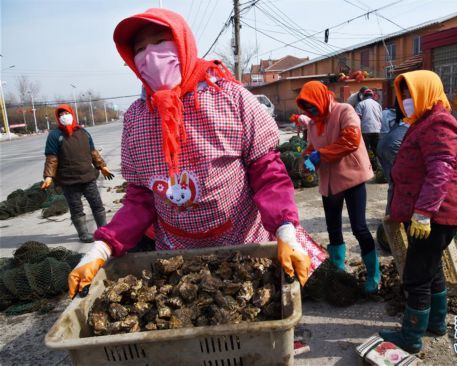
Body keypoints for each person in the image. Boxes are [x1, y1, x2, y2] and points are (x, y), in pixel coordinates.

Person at [68, 8, 324, 298]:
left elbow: (268, 174)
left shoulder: (231, 98)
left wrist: (285, 231)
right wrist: (100, 249)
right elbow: (140, 198)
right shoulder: (136, 119)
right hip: (178, 259)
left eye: (161, 42)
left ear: (183, 43)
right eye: (140, 49)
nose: (151, 55)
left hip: (246, 247)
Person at [378, 70, 457, 353]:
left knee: (416, 277)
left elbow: (441, 170)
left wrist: (424, 213)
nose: (405, 100)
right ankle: (436, 324)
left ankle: (411, 336)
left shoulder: (439, 125)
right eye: (402, 94)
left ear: (426, 91)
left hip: (434, 218)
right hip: (430, 216)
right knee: (431, 270)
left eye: (410, 93)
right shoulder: (424, 121)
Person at [298, 81, 380, 294]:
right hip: (329, 181)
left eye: (314, 105)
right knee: (333, 229)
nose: (312, 111)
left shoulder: (345, 110)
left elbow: (351, 140)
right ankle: (338, 271)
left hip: (351, 177)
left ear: (322, 97)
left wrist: (321, 154)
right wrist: (308, 158)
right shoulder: (313, 123)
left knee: (359, 227)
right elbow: (311, 147)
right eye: (308, 108)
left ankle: (373, 275)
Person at [41, 104, 114, 242]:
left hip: (88, 177)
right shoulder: (55, 135)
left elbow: (93, 152)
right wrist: (49, 176)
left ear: (72, 114)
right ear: (57, 118)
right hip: (69, 181)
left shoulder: (83, 132)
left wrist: (102, 166)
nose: (64, 117)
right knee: (76, 208)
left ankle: (103, 230)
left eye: (66, 113)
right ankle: (83, 234)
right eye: (61, 115)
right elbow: (52, 158)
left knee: (97, 204)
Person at [376, 100, 408, 214]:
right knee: (402, 183)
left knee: (394, 183)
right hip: (393, 146)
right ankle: (394, 216)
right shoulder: (414, 116)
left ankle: (390, 215)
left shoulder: (392, 114)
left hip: (384, 143)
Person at [355, 88, 382, 155]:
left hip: (365, 130)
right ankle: (376, 164)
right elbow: (381, 118)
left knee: (365, 152)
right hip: (377, 130)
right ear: (372, 96)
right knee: (376, 151)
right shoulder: (378, 104)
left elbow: (357, 118)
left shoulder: (361, 104)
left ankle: (368, 164)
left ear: (364, 96)